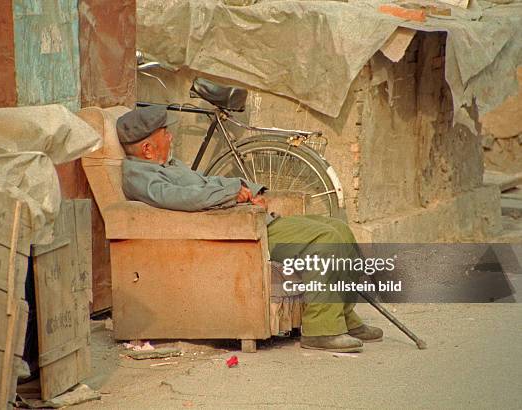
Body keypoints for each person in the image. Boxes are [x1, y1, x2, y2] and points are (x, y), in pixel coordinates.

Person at [117, 106, 383, 352]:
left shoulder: (169, 165)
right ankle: (320, 330)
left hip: (249, 221)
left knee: (338, 228)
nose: (171, 137)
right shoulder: (140, 176)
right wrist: (234, 194)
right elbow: (181, 198)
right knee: (327, 238)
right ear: (148, 149)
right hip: (236, 233)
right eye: (165, 133)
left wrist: (251, 191)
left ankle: (343, 315)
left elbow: (210, 181)